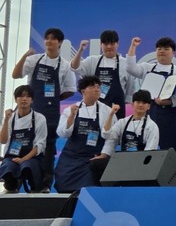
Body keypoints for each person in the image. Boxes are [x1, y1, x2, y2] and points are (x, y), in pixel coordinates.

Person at [11, 27, 77, 192]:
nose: (49, 41)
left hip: (50, 113)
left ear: (60, 43)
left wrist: (53, 99)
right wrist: (25, 55)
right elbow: (15, 75)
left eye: (53, 38)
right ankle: (14, 183)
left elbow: (71, 89)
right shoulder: (34, 60)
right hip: (30, 110)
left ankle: (45, 185)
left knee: (48, 148)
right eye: (47, 38)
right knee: (23, 144)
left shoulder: (65, 65)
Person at [54, 75, 119, 193]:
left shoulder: (107, 111)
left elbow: (112, 137)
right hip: (71, 156)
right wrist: (72, 116)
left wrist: (104, 154)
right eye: (93, 87)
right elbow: (62, 133)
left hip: (93, 157)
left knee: (88, 186)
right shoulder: (70, 110)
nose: (97, 89)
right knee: (63, 184)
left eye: (98, 87)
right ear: (83, 91)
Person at [126, 36, 176, 152]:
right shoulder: (147, 67)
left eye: (166, 49)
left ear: (173, 53)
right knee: (145, 145)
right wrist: (133, 46)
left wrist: (169, 102)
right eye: (159, 49)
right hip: (149, 111)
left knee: (169, 148)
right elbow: (130, 68)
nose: (162, 51)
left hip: (169, 114)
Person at [90, 89, 160, 182]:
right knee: (95, 164)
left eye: (144, 103)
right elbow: (107, 135)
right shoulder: (123, 122)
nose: (140, 105)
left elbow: (150, 152)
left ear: (149, 106)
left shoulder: (152, 127)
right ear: (132, 104)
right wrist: (111, 115)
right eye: (138, 102)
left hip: (140, 164)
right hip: (122, 161)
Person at [70, 29, 132, 118]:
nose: (109, 47)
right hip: (93, 110)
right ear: (101, 45)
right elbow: (74, 67)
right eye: (106, 44)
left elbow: (130, 91)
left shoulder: (126, 64)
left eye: (112, 44)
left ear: (117, 44)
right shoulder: (92, 60)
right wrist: (80, 50)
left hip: (116, 109)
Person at [0, 86, 47, 193]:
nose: (24, 99)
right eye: (21, 96)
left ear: (32, 100)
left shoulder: (40, 118)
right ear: (16, 99)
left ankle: (36, 190)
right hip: (12, 156)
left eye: (27, 96)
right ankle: (11, 188)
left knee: (28, 167)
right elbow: (2, 140)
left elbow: (40, 144)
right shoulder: (10, 118)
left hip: (32, 157)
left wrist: (23, 159)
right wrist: (6, 120)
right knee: (8, 168)